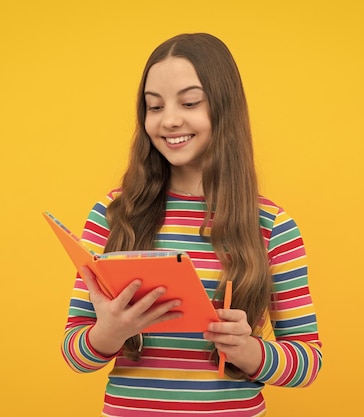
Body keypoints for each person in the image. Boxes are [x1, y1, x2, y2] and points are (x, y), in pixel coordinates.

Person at [61, 33, 322, 416]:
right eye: (154, 106)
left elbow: (308, 361)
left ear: (224, 107)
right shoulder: (113, 213)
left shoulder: (271, 225)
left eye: (189, 102)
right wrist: (109, 332)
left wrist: (248, 350)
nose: (169, 120)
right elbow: (75, 353)